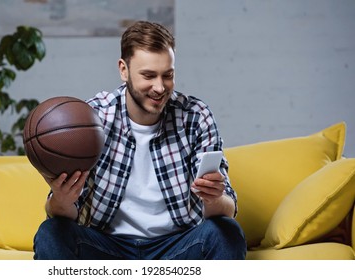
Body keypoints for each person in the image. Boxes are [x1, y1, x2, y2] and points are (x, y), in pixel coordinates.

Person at [33, 21, 246, 260]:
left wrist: (215, 198)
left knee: (226, 232)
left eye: (168, 75)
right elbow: (60, 213)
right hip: (107, 247)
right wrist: (61, 199)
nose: (159, 87)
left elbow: (228, 209)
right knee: (50, 233)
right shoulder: (93, 118)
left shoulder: (195, 116)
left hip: (178, 247)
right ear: (123, 70)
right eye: (148, 75)